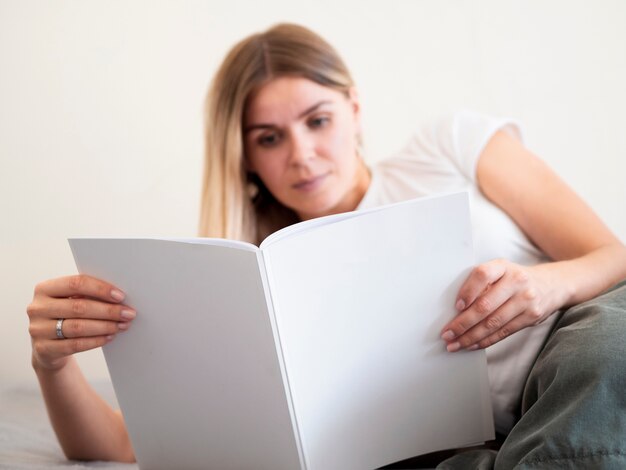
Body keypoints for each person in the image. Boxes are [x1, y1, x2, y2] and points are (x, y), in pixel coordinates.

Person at [27, 23, 626, 468]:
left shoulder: (449, 147)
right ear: (247, 159)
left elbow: (612, 255)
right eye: (269, 138)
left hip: (576, 341)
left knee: (605, 347)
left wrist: (546, 285)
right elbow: (122, 444)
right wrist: (50, 363)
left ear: (355, 108)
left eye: (318, 120)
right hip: (484, 437)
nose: (302, 154)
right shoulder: (248, 282)